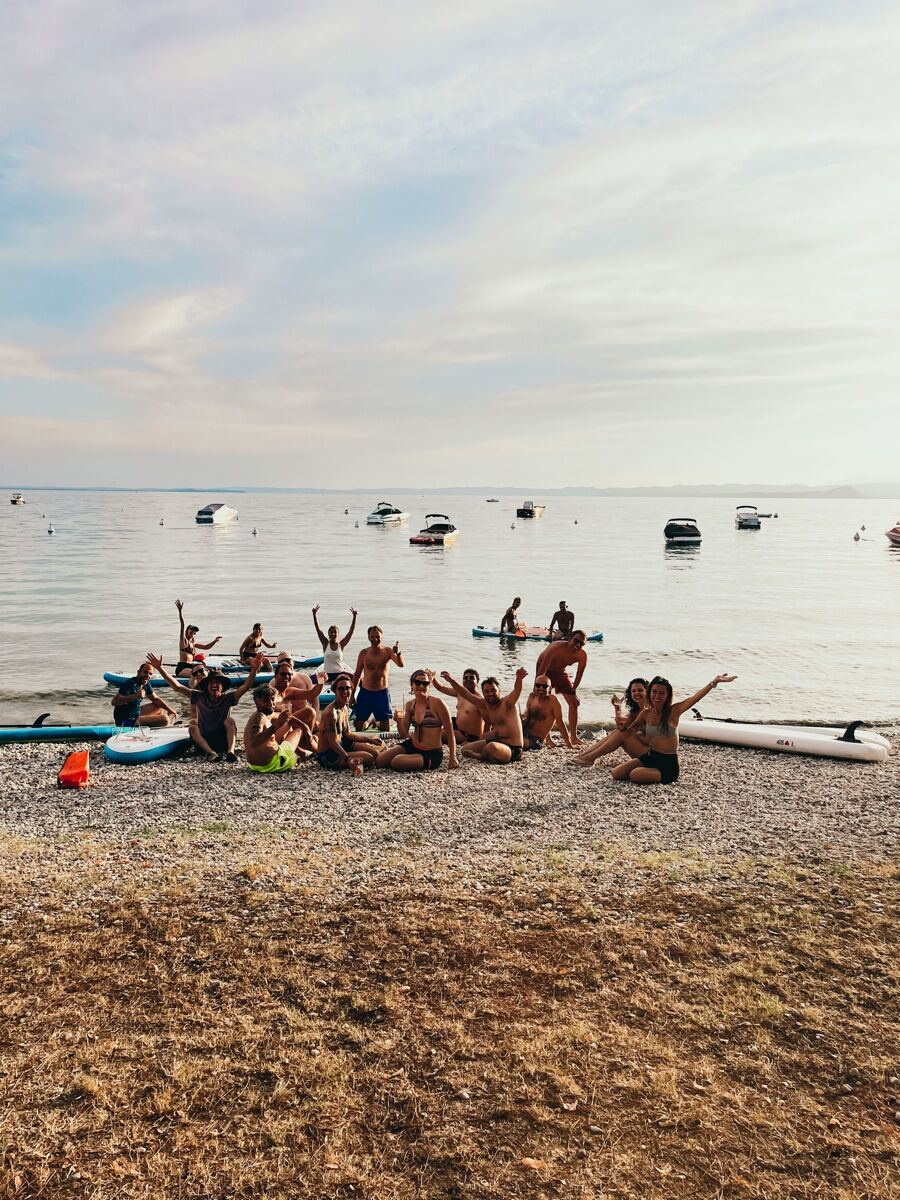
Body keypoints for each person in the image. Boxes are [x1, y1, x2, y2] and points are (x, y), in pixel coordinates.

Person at [612, 673, 737, 785]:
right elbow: (628, 732)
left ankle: (655, 775)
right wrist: (620, 720)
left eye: (662, 693)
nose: (657, 696)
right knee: (616, 774)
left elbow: (695, 698)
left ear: (667, 695)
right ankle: (646, 771)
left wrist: (713, 682)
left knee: (635, 774)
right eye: (654, 692)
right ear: (649, 693)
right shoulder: (645, 713)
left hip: (668, 765)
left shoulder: (674, 711)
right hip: (650, 756)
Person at [147, 652, 264, 762]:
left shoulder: (228, 698)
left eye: (217, 683)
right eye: (211, 682)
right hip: (204, 742)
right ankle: (211, 753)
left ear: (222, 687)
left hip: (222, 741)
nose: (214, 685)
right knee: (192, 727)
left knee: (230, 720)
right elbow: (177, 687)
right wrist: (160, 668)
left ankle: (231, 752)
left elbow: (245, 687)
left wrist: (253, 670)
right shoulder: (199, 696)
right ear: (206, 686)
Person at [440, 668, 527, 764]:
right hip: (497, 741)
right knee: (464, 749)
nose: (490, 693)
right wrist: (451, 680)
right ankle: (486, 754)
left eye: (493, 690)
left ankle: (479, 756)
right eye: (487, 691)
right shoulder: (485, 704)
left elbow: (517, 690)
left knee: (491, 747)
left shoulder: (507, 703)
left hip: (512, 749)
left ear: (499, 691)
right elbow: (465, 693)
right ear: (483, 693)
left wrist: (519, 679)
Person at [377, 672, 458, 772]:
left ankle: (410, 759)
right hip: (413, 745)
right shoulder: (410, 705)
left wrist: (453, 757)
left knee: (396, 761)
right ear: (412, 685)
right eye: (418, 682)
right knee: (379, 761)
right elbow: (403, 733)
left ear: (429, 685)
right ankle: (410, 757)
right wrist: (398, 721)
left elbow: (450, 732)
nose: (421, 686)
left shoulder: (438, 704)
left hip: (431, 753)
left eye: (425, 683)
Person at [571, 677, 649, 766]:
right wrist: (617, 707)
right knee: (618, 732)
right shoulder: (635, 712)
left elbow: (651, 738)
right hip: (640, 751)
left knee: (622, 734)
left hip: (651, 755)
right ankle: (583, 756)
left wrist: (632, 733)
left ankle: (590, 758)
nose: (636, 693)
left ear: (647, 692)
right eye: (633, 691)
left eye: (640, 690)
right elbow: (621, 728)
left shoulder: (651, 712)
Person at [316, 674, 384, 772]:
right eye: (341, 689)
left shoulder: (344, 707)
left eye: (347, 688)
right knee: (369, 758)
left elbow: (348, 733)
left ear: (351, 690)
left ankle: (350, 753)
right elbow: (333, 742)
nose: (345, 691)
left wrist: (369, 740)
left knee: (375, 753)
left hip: (342, 743)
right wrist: (348, 759)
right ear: (335, 691)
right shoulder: (330, 713)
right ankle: (348, 756)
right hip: (329, 754)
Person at [244, 683, 315, 773]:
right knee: (298, 731)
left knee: (287, 724)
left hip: (254, 766)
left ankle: (303, 753)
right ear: (257, 702)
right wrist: (276, 725)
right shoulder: (259, 718)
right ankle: (315, 752)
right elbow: (253, 742)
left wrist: (305, 727)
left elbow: (287, 718)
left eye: (273, 699)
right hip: (273, 764)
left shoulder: (264, 714)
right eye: (266, 700)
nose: (271, 703)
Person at [534, 631, 588, 746]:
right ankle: (547, 738)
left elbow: (579, 675)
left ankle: (574, 737)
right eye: (576, 641)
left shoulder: (582, 655)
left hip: (560, 672)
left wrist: (573, 690)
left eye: (581, 644)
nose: (578, 645)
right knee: (543, 701)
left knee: (574, 702)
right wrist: (538, 687)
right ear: (569, 638)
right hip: (545, 669)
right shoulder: (555, 648)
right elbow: (542, 670)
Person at [350, 626, 403, 732]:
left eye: (377, 636)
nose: (375, 639)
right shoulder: (364, 653)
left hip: (382, 694)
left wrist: (398, 653)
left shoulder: (388, 651)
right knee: (359, 727)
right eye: (372, 636)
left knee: (385, 729)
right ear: (368, 637)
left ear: (381, 637)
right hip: (365, 693)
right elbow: (357, 675)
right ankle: (369, 723)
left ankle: (375, 723)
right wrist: (352, 695)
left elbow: (400, 664)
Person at [111, 662, 177, 728]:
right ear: (139, 672)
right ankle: (158, 726)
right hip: (125, 721)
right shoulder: (130, 683)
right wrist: (135, 696)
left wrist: (169, 709)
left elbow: (155, 699)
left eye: (150, 674)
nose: (148, 675)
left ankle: (155, 726)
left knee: (159, 707)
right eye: (145, 672)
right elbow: (114, 702)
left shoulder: (145, 684)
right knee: (165, 719)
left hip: (135, 714)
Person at [270, 658, 324, 732]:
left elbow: (313, 694)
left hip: (290, 726)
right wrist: (302, 725)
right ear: (275, 676)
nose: (286, 676)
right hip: (276, 731)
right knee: (310, 711)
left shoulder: (290, 691)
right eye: (283, 674)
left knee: (318, 734)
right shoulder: (270, 693)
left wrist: (321, 680)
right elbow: (266, 716)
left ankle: (307, 739)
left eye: (289, 674)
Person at [431, 667, 485, 741]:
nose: (468, 680)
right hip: (458, 728)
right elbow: (441, 688)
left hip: (469, 736)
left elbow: (488, 721)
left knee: (438, 735)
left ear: (477, 682)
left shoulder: (479, 700)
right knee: (436, 724)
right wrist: (432, 677)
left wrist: (483, 740)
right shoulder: (459, 693)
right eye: (466, 678)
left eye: (471, 678)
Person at [522, 674, 573, 750]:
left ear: (550, 688)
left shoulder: (553, 701)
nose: (541, 688)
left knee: (514, 742)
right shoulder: (532, 696)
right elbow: (528, 718)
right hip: (523, 733)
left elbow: (560, 723)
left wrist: (569, 745)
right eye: (538, 685)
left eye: (545, 686)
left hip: (535, 740)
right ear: (534, 686)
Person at [174, 598, 222, 675]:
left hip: (191, 666)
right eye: (191, 630)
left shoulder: (193, 643)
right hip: (182, 668)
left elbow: (206, 647)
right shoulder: (183, 641)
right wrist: (180, 611)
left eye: (194, 631)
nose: (193, 632)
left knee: (211, 671)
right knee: (200, 674)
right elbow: (182, 624)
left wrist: (215, 641)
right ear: (187, 630)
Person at [312, 605, 358, 683]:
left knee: (357, 678)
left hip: (340, 675)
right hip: (326, 675)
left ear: (338, 634)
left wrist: (354, 617)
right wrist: (314, 615)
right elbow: (318, 630)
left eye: (335, 632)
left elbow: (350, 632)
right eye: (331, 632)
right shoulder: (325, 643)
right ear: (328, 634)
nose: (333, 634)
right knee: (309, 679)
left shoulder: (341, 644)